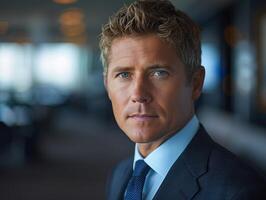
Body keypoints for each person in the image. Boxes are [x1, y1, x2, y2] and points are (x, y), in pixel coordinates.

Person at [99, 0, 266, 199]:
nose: (138, 94)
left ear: (195, 83)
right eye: (124, 75)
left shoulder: (238, 191)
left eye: (158, 73)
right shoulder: (121, 173)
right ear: (107, 85)